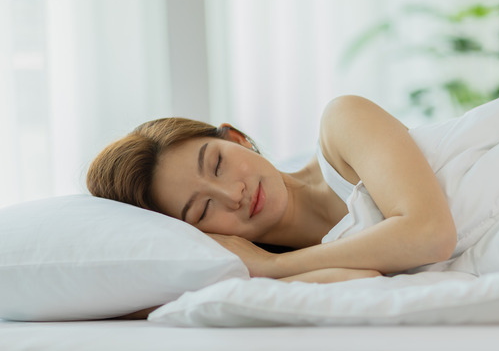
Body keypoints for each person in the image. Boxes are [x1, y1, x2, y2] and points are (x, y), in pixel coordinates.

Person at [87, 95, 457, 285]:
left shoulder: (343, 123)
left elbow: (429, 233)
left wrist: (274, 265)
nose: (234, 195)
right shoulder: (280, 274)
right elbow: (361, 282)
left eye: (216, 164)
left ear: (236, 138)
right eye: (203, 210)